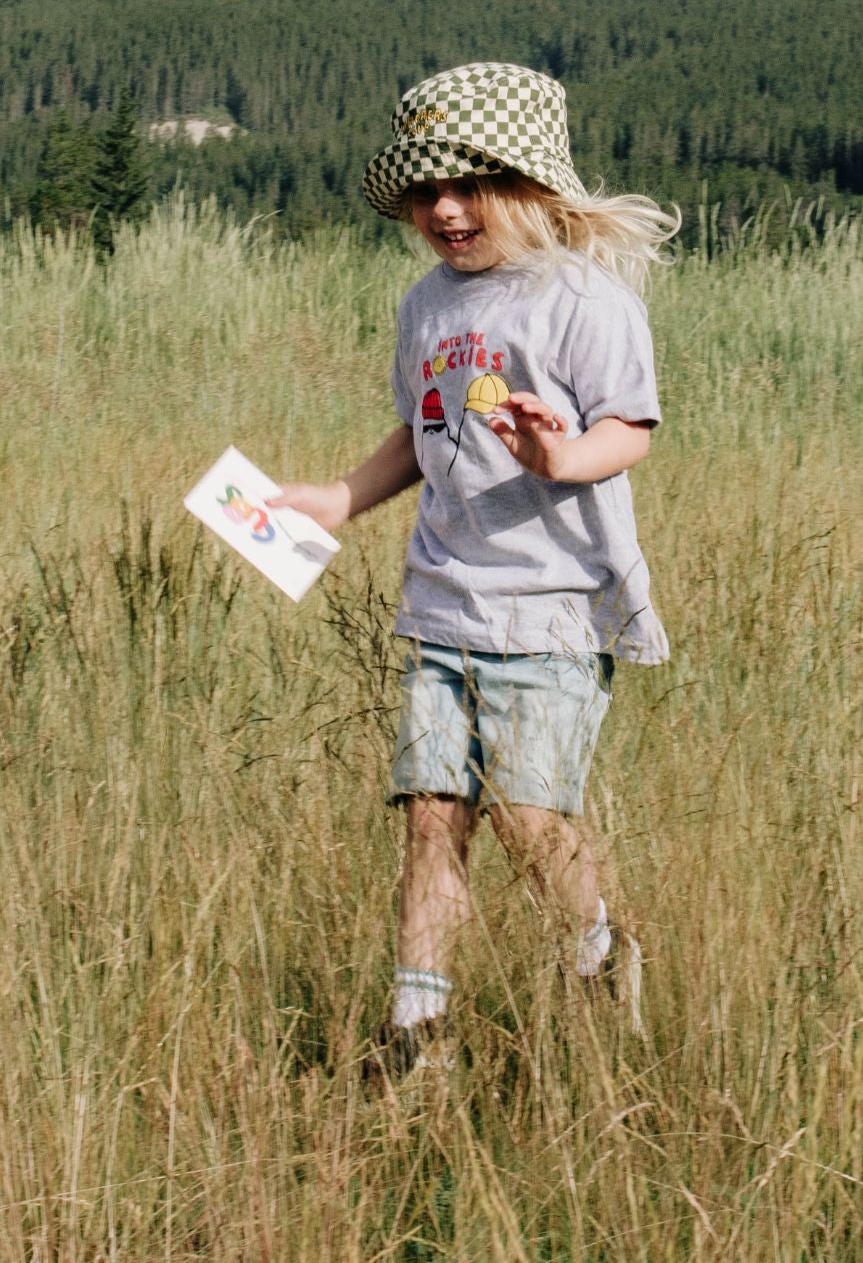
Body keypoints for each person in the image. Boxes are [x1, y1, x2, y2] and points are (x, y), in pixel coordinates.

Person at [270, 61, 677, 1071]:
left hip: (550, 612)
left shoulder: (584, 297)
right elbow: (421, 430)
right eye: (424, 190)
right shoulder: (426, 306)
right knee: (431, 815)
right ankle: (416, 1031)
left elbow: (627, 427)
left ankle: (600, 948)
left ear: (532, 185)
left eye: (469, 185)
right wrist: (338, 497)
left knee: (528, 817)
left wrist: (559, 455)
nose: (443, 209)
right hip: (442, 604)